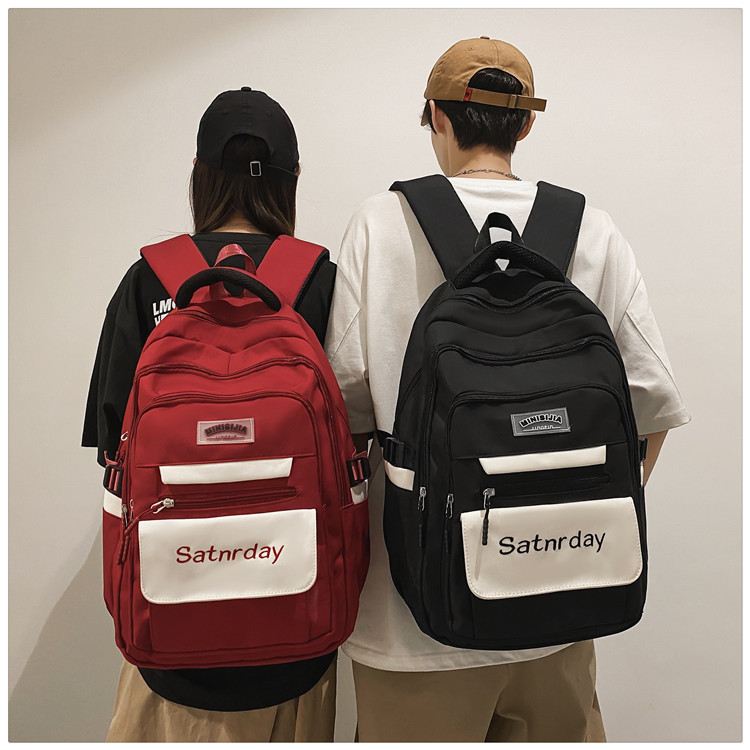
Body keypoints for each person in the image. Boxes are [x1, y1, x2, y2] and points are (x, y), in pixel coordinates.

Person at [324, 37, 690, 742]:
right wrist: (560, 516)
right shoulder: (591, 230)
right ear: (525, 124)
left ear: (435, 116)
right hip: (561, 616)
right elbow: (651, 407)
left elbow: (345, 413)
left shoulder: (380, 224)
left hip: (414, 625)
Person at [82, 87, 338, 742]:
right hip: (296, 625)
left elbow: (113, 449)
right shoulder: (321, 281)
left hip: (168, 632)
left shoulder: (147, 280)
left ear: (199, 175)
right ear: (292, 178)